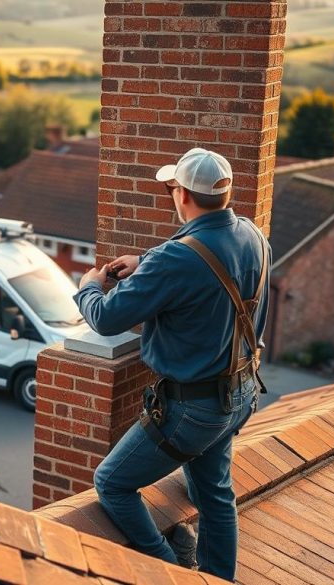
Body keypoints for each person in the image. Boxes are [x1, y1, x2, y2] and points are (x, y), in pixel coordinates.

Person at [74, 148, 271, 581]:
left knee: (112, 482)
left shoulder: (174, 260)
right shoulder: (252, 235)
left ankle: (170, 572)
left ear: (181, 194)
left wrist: (88, 287)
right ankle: (219, 578)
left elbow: (106, 319)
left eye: (172, 188)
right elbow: (207, 272)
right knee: (214, 493)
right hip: (238, 394)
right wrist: (145, 262)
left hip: (191, 410)